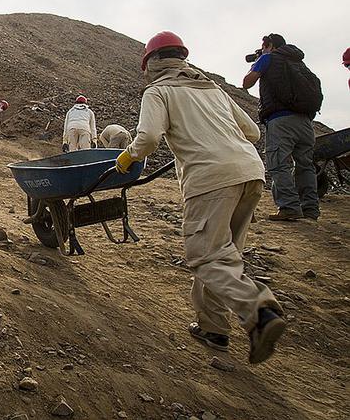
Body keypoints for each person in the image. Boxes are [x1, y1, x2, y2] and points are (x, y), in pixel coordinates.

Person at [116, 30, 284, 365]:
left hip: (210, 179)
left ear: (150, 64)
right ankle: (213, 328)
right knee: (224, 255)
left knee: (206, 256)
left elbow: (148, 138)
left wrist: (129, 156)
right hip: (250, 171)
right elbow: (252, 131)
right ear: (182, 57)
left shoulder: (158, 90)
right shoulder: (212, 89)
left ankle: (259, 312)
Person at [242, 33, 323, 222]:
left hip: (281, 120)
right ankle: (310, 209)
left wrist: (259, 61)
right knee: (305, 166)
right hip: (305, 122)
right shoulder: (299, 64)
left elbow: (247, 83)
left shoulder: (269, 57)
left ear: (269, 45)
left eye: (263, 47)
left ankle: (289, 206)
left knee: (278, 164)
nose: (262, 50)